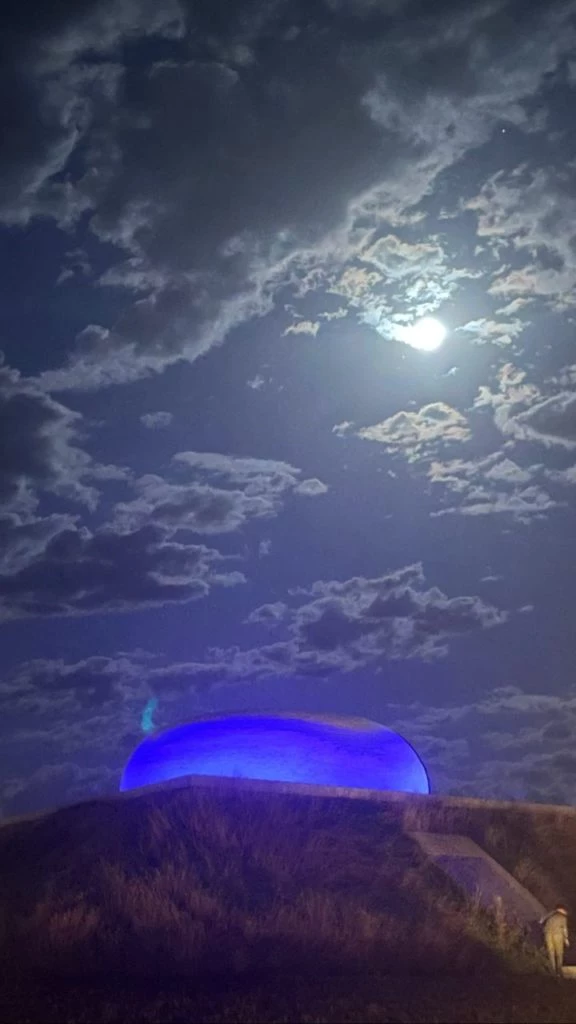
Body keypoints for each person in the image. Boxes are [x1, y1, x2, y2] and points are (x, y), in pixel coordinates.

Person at [540, 904, 569, 976]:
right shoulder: (562, 917)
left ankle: (553, 970)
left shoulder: (549, 914)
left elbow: (541, 921)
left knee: (551, 953)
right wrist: (566, 939)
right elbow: (564, 928)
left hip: (548, 935)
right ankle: (559, 971)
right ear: (562, 909)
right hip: (558, 935)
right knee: (559, 953)